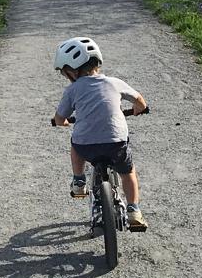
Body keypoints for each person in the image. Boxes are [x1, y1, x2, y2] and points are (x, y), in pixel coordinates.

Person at [49, 36, 149, 231]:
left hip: (87, 146)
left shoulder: (73, 89)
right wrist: (137, 109)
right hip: (116, 144)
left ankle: (79, 181)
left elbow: (60, 119)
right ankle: (134, 211)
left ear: (71, 70)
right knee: (128, 172)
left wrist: (64, 122)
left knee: (76, 144)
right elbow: (140, 102)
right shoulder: (114, 82)